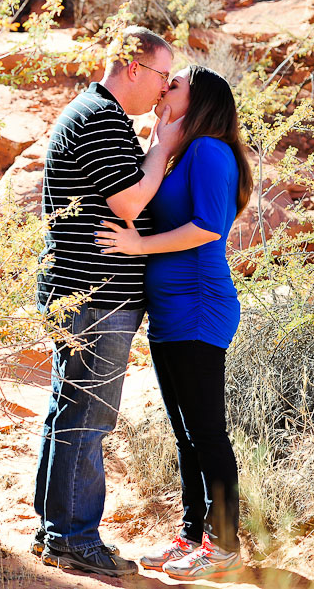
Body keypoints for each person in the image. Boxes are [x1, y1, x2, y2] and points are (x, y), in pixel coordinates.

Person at [32, 26, 180, 577]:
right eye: (163, 75)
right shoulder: (99, 118)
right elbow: (128, 203)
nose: (165, 89)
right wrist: (162, 146)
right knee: (87, 419)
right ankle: (72, 538)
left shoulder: (101, 116)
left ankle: (56, 535)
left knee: (68, 413)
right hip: (92, 296)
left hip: (83, 291)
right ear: (135, 68)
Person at [96, 65, 254, 580]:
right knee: (185, 433)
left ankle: (225, 546)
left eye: (176, 85)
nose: (165, 88)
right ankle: (192, 534)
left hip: (199, 305)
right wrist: (160, 137)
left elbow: (208, 228)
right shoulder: (184, 150)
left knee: (207, 433)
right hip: (169, 313)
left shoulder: (210, 151)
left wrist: (139, 245)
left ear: (200, 99)